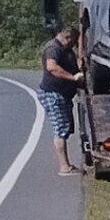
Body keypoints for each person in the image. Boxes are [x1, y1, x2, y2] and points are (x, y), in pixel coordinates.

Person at [40, 12, 84, 142]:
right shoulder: (53, 48)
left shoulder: (66, 49)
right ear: (67, 37)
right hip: (53, 94)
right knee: (61, 131)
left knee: (67, 128)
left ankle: (65, 163)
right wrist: (73, 78)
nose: (75, 45)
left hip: (63, 95)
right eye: (74, 41)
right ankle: (64, 163)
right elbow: (52, 67)